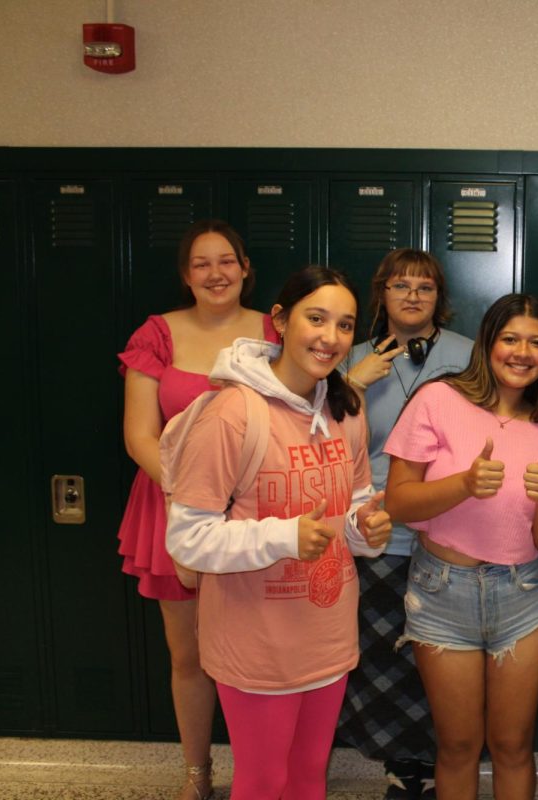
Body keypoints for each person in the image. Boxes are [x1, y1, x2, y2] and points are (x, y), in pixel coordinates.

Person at [166, 266, 392, 799]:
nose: (330, 337)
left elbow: (352, 500)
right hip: (256, 643)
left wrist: (364, 527)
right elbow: (189, 537)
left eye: (344, 325)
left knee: (309, 777)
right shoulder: (232, 414)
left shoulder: (347, 410)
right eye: (316, 319)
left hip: (327, 635)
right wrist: (283, 538)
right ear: (280, 321)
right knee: (264, 782)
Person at [383, 293, 538, 800]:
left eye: (536, 342)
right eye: (510, 338)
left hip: (524, 594)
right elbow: (400, 502)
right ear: (488, 344)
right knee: (457, 745)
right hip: (441, 591)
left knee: (513, 745)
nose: (522, 352)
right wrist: (464, 485)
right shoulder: (438, 399)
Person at [116, 219, 278, 800]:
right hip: (171, 505)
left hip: (257, 514)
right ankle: (198, 772)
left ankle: (262, 772)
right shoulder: (157, 335)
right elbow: (139, 437)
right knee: (189, 657)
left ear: (245, 268)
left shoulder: (274, 331)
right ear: (187, 275)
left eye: (227, 261)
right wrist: (197, 498)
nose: (217, 273)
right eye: (202, 263)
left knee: (256, 652)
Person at [336, 249, 474, 799]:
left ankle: (448, 760)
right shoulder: (353, 358)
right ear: (382, 295)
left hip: (452, 528)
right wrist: (349, 381)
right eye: (400, 285)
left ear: (440, 298)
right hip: (381, 530)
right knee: (386, 656)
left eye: (425, 286)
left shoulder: (470, 356)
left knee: (443, 658)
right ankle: (402, 765)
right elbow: (316, 432)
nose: (413, 296)